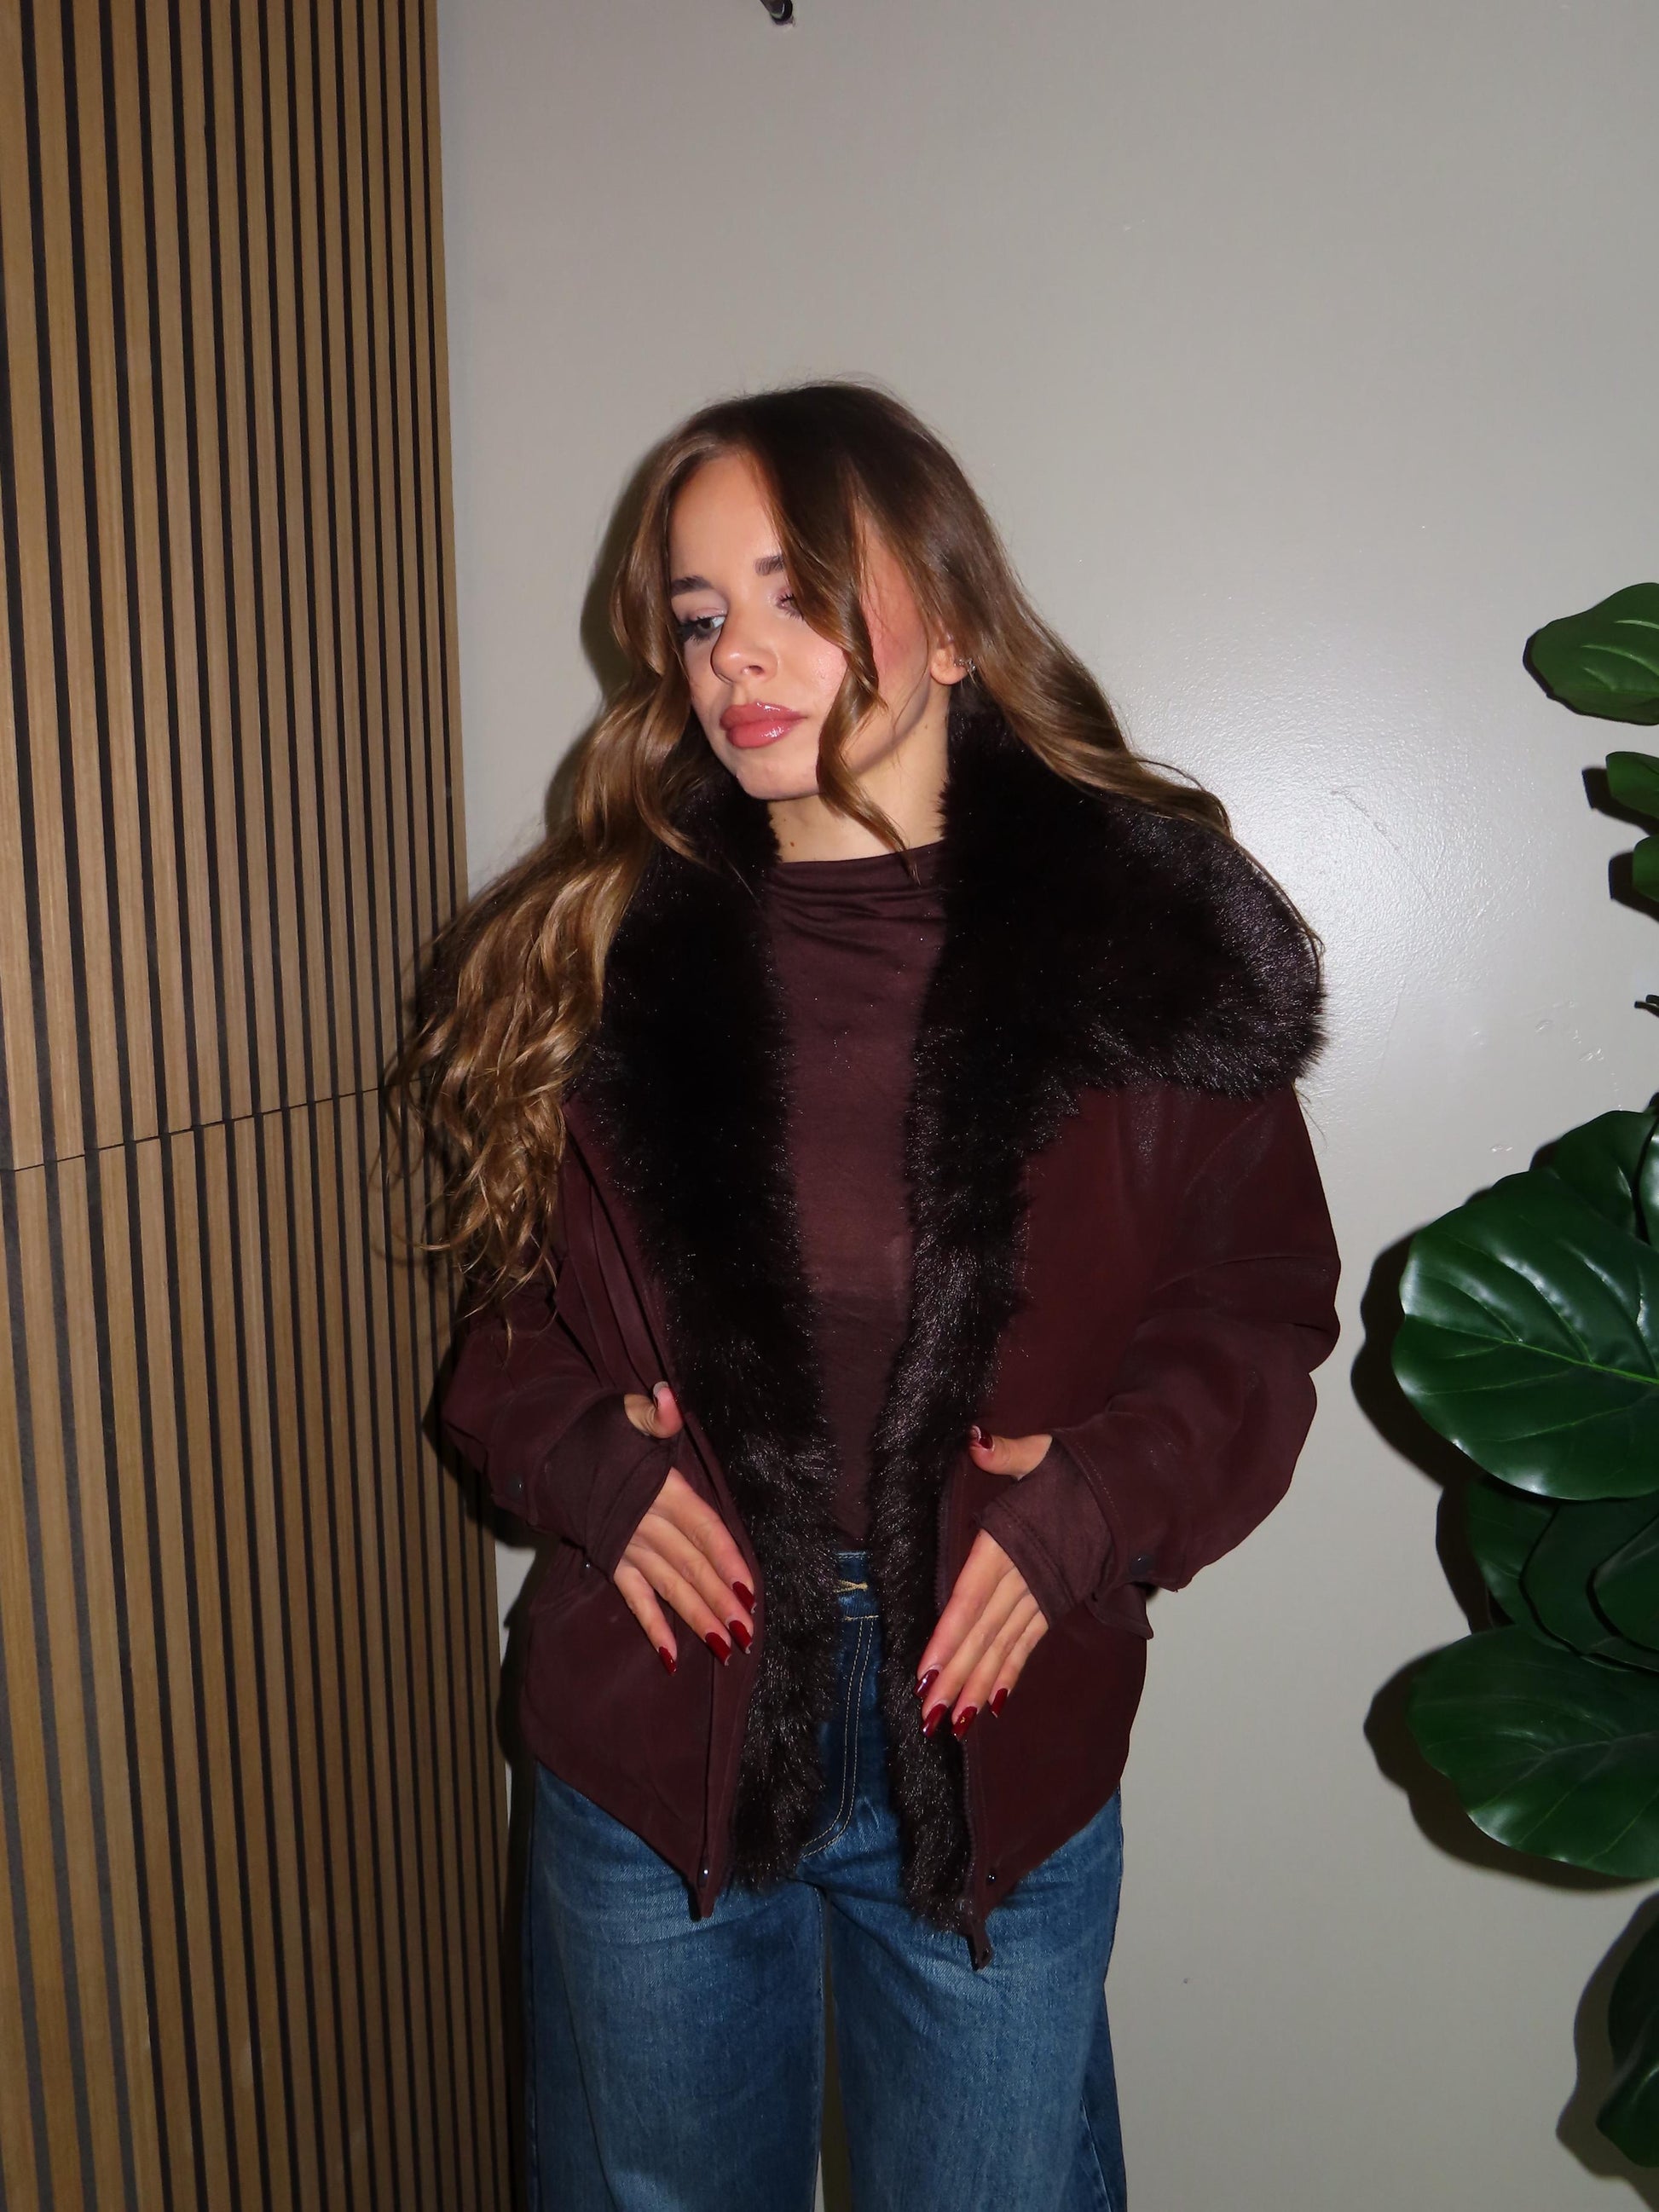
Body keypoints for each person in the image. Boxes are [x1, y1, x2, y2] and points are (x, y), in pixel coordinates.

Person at [392, 381, 1340, 2212]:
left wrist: (1087, 1506)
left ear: (955, 620)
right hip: (659, 1715)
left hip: (990, 1722)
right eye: (699, 614)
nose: (737, 655)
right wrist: (589, 1463)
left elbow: (1256, 1311)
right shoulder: (598, 951)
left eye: (796, 589)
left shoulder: (1141, 950)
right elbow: (505, 1327)